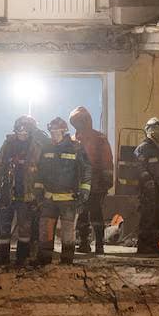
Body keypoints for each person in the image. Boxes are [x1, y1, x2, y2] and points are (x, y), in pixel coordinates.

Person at [0, 115, 45, 268]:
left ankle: (21, 259)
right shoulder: (9, 144)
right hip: (8, 192)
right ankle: (2, 258)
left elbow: (43, 170)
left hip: (27, 194)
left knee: (25, 229)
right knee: (3, 226)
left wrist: (40, 194)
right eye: (19, 130)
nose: (22, 133)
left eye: (25, 131)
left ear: (31, 131)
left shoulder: (37, 146)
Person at [31, 117, 91, 265]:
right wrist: (38, 191)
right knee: (46, 232)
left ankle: (67, 263)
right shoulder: (47, 148)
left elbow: (86, 170)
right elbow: (39, 172)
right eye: (51, 131)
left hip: (68, 199)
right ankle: (44, 263)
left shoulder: (75, 147)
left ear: (64, 131)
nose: (53, 134)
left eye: (57, 131)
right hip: (49, 199)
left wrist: (84, 192)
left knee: (67, 234)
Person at [69, 106, 116, 254]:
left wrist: (106, 180)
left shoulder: (97, 138)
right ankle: (84, 243)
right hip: (82, 184)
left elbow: (107, 160)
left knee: (94, 214)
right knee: (83, 214)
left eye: (80, 121)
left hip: (95, 183)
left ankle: (99, 244)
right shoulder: (74, 139)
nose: (78, 124)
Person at [131, 117, 159, 254]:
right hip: (148, 190)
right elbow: (139, 167)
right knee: (148, 216)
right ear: (151, 130)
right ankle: (144, 246)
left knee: (158, 216)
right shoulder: (143, 148)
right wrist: (148, 183)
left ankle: (155, 244)